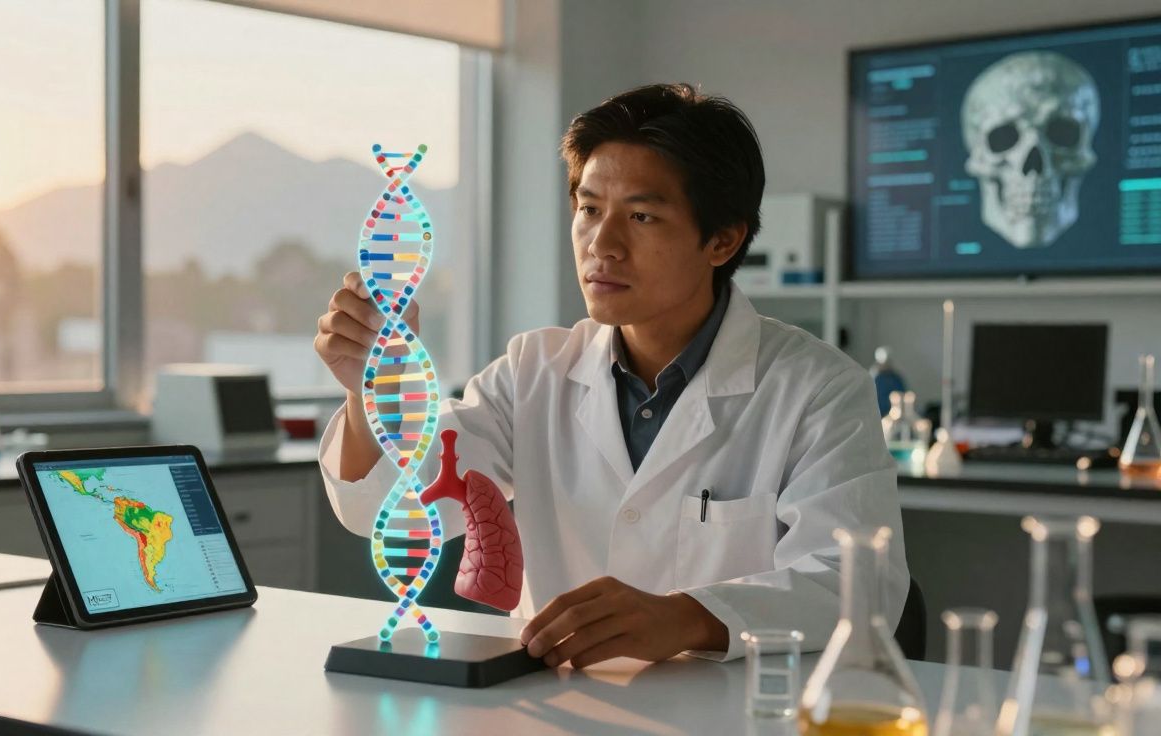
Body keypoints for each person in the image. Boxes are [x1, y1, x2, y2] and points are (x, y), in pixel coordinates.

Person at [314, 83, 906, 668]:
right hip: (558, 707)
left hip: (728, 716)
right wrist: (372, 392)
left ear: (722, 240)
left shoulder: (818, 389)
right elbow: (389, 516)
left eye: (642, 215)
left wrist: (688, 617)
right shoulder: (531, 374)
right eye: (590, 210)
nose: (603, 243)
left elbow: (856, 585)